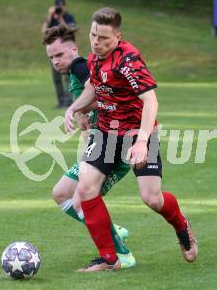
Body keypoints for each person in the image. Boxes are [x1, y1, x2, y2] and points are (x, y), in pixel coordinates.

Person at [64, 7, 198, 272]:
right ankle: (110, 259)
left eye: (103, 38)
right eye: (93, 35)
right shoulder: (94, 58)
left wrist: (142, 141)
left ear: (118, 37)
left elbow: (150, 100)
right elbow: (94, 87)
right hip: (106, 133)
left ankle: (181, 224)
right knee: (86, 188)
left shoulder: (129, 60)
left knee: (152, 199)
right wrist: (75, 107)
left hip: (138, 133)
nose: (96, 42)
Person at [42, 24, 136, 268]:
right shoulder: (77, 71)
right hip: (100, 146)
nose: (55, 61)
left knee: (81, 200)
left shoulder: (80, 66)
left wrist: (78, 108)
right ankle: (112, 230)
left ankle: (122, 255)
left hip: (116, 145)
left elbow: (102, 92)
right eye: (51, 57)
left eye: (60, 54)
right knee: (61, 193)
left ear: (74, 50)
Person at [41, 0, 76, 109]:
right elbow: (44, 32)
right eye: (58, 6)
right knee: (57, 78)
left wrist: (61, 19)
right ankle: (61, 101)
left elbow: (71, 31)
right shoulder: (51, 19)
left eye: (62, 6)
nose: (61, 8)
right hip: (54, 52)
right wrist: (49, 16)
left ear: (65, 6)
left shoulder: (69, 17)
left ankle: (68, 101)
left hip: (67, 52)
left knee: (69, 77)